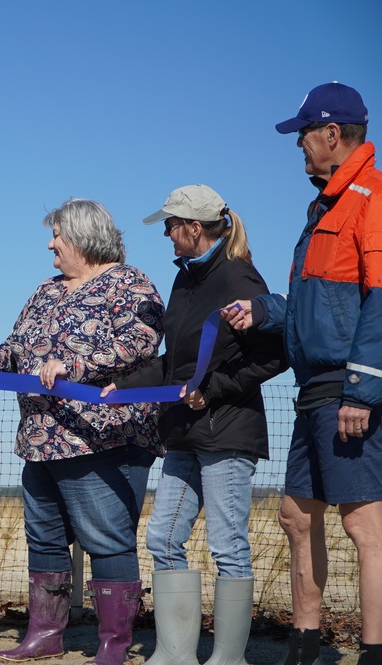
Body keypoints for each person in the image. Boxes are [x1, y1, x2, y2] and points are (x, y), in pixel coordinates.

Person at [0, 198, 164, 665]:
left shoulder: (129, 283)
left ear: (84, 238)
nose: (51, 244)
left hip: (101, 438)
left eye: (58, 235)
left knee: (107, 540)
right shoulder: (45, 290)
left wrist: (75, 366)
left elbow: (142, 340)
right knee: (45, 539)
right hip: (40, 439)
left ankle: (113, 644)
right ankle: (45, 634)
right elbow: (16, 344)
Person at [223, 82, 382, 665]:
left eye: (304, 137)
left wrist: (362, 389)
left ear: (331, 134)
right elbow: (313, 308)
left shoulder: (372, 198)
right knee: (294, 516)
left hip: (349, 389)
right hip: (315, 391)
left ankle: (373, 650)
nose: (300, 149)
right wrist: (263, 310)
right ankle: (304, 644)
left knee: (365, 526)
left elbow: (380, 301)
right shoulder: (323, 209)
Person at [105, 186, 287, 665]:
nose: (165, 233)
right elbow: (176, 364)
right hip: (184, 431)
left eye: (170, 224)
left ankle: (229, 658)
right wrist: (121, 386)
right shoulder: (184, 282)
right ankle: (175, 652)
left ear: (194, 227)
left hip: (227, 432)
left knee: (228, 546)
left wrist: (217, 388)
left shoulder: (238, 277)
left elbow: (275, 354)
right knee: (162, 538)